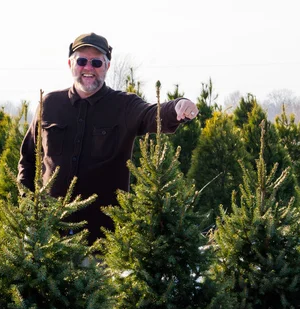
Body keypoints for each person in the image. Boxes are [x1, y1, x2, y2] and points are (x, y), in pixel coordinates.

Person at [18, 32, 198, 244]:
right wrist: (29, 207)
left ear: (107, 66)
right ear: (70, 63)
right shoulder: (49, 104)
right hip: (49, 237)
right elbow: (28, 159)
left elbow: (152, 114)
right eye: (82, 61)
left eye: (96, 62)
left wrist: (178, 106)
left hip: (102, 241)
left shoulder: (123, 106)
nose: (88, 68)